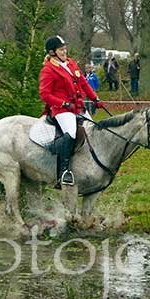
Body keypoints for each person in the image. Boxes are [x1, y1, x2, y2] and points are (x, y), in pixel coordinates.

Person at [39, 35, 103, 186]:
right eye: (61, 50)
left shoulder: (71, 63)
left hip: (78, 106)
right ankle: (64, 171)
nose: (64, 52)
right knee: (71, 132)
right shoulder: (48, 70)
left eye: (65, 49)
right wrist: (63, 103)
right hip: (61, 109)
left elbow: (83, 83)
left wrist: (95, 98)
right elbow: (45, 94)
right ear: (52, 52)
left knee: (92, 130)